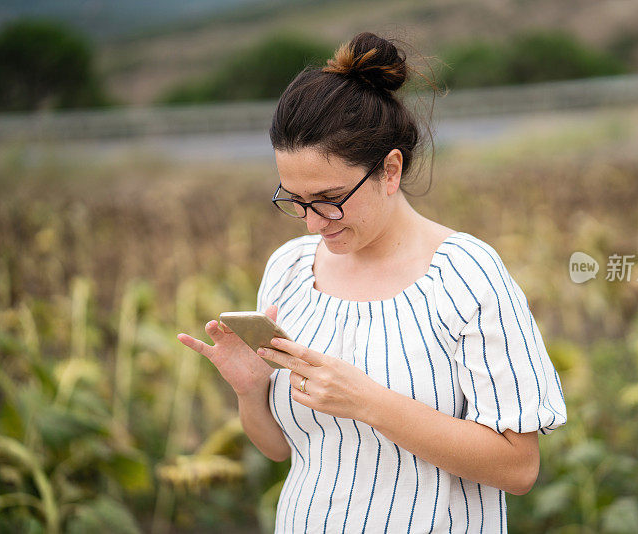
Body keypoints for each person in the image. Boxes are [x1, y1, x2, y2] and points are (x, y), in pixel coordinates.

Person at [177, 31, 567, 533]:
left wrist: (367, 401)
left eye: (329, 198)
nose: (314, 221)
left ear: (389, 169)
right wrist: (252, 392)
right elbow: (280, 450)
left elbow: (518, 467)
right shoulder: (290, 270)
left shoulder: (466, 275)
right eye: (294, 200)